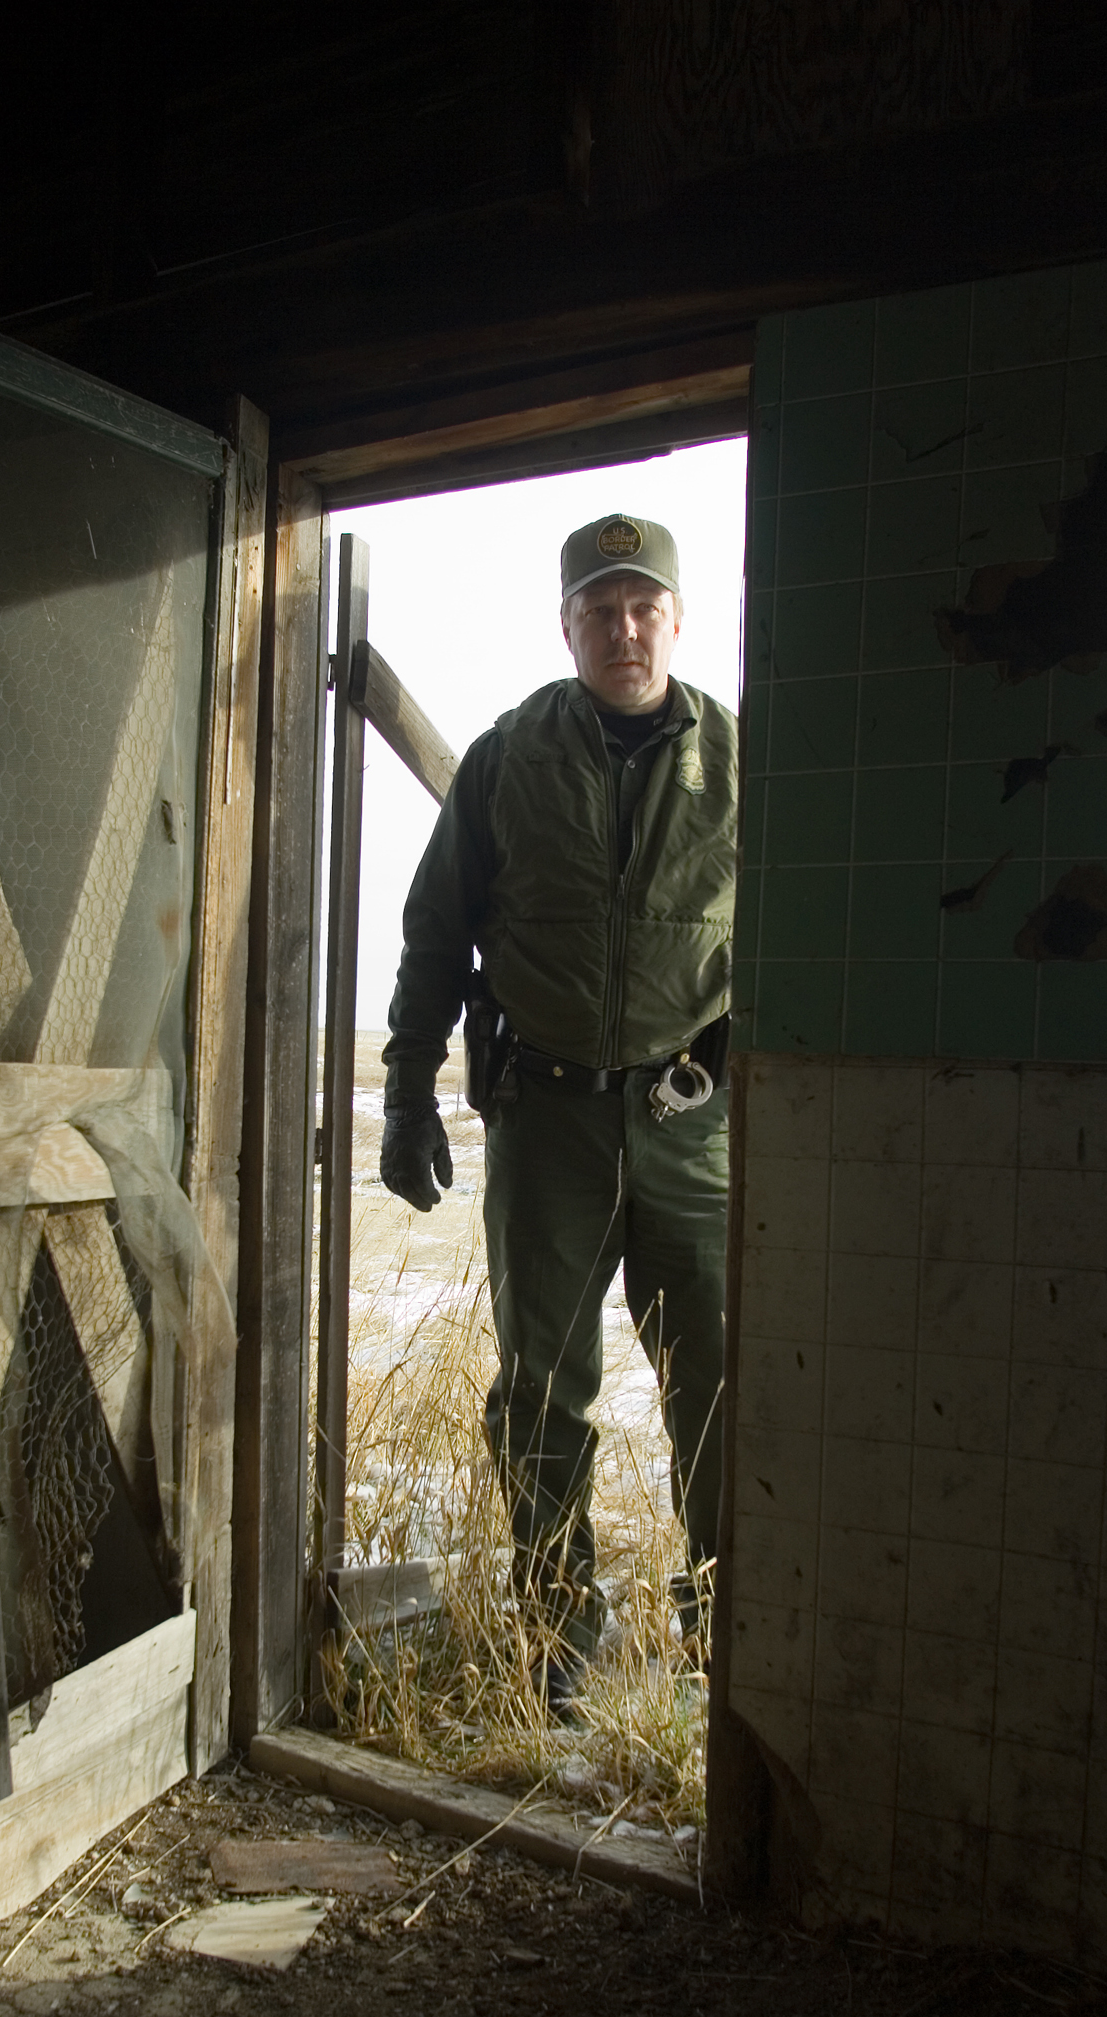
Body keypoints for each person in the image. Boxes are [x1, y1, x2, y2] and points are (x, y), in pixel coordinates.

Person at [379, 513, 738, 1703]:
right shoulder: (505, 758)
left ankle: (726, 1615)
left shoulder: (743, 763)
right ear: (567, 624)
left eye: (645, 607)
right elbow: (436, 931)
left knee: (720, 1373)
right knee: (544, 1381)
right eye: (601, 608)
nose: (625, 629)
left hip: (694, 1123)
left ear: (678, 620)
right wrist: (406, 1095)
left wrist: (739, 1055)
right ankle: (557, 1632)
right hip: (547, 1120)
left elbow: (805, 934)